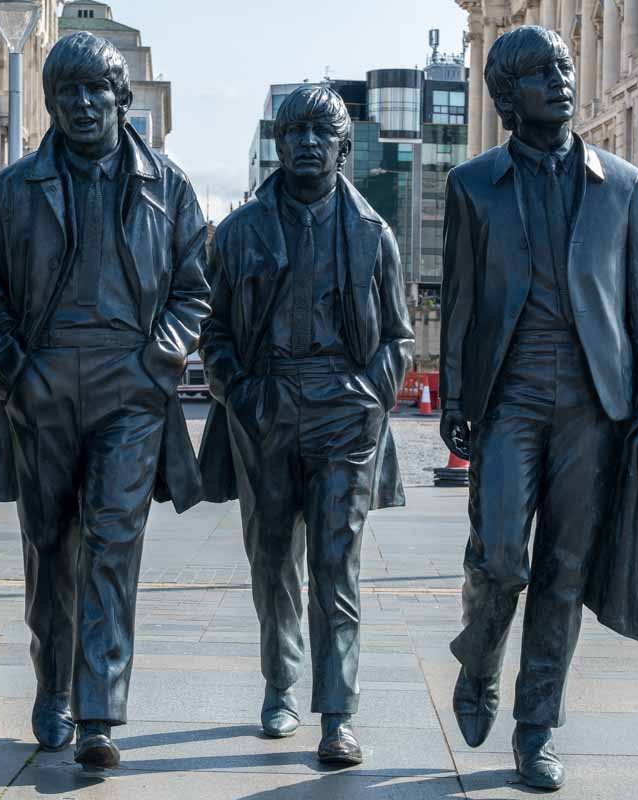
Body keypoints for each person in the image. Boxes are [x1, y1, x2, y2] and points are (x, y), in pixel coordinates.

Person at [0, 31, 210, 770]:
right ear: (51, 105)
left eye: (95, 91)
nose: (81, 105)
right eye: (65, 94)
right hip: (40, 385)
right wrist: (13, 367)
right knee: (50, 547)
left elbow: (195, 290)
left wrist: (156, 359)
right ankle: (53, 686)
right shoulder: (13, 190)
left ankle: (99, 709)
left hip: (128, 388)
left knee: (112, 543)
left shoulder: (169, 185)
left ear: (120, 98)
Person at [439, 26, 638, 789]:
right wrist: (452, 395)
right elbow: (462, 305)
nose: (562, 80)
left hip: (594, 405)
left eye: (565, 66)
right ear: (508, 98)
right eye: (541, 72)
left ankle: (536, 726)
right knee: (502, 557)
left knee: (564, 572)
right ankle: (478, 659)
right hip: (509, 397)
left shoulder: (627, 187)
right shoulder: (473, 185)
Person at [198, 85, 413, 766]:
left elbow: (399, 340)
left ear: (344, 148)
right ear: (277, 143)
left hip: (344, 415)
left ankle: (338, 713)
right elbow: (213, 330)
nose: (308, 145)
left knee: (334, 564)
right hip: (268, 409)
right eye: (295, 133)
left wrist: (368, 397)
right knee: (271, 563)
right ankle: (279, 682)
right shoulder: (237, 234)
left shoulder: (373, 235)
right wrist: (245, 394)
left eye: (323, 133)